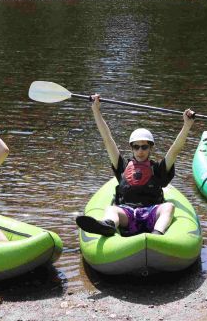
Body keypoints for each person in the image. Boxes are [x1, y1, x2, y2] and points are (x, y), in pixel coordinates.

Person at [75, 95, 195, 237]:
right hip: (127, 214)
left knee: (169, 207)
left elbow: (175, 150)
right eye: (136, 147)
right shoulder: (122, 167)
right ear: (132, 148)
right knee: (111, 210)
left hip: (151, 212)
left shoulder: (157, 169)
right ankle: (108, 226)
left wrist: (187, 125)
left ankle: (157, 234)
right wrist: (96, 110)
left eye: (144, 147)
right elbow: (107, 139)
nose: (140, 151)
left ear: (150, 148)